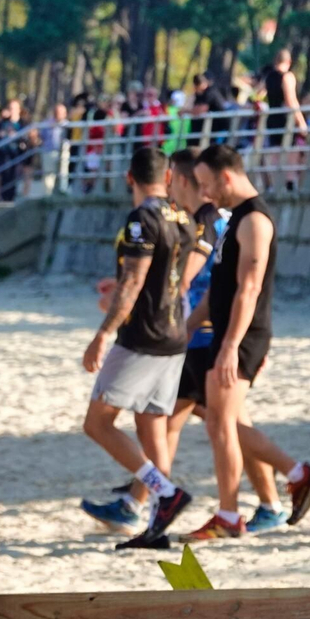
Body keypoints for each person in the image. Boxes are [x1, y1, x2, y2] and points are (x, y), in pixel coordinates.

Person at [184, 146, 310, 538]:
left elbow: (249, 289)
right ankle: (290, 479)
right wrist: (188, 326)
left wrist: (231, 345)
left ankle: (243, 507)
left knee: (220, 421)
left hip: (243, 334)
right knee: (220, 420)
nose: (206, 194)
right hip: (227, 330)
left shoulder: (255, 221)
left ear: (226, 177)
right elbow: (220, 287)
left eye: (207, 185)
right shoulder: (234, 221)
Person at [77, 147, 196, 547]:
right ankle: (151, 525)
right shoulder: (182, 216)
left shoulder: (141, 219)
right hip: (175, 336)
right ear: (167, 178)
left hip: (143, 337)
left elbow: (134, 281)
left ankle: (164, 493)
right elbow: (169, 278)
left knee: (97, 423)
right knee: (152, 431)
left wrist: (102, 333)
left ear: (130, 177)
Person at [260, 49, 308, 190]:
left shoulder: (268, 77)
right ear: (288, 62)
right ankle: (290, 183)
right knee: (292, 151)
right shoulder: (287, 77)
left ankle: (275, 184)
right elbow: (291, 100)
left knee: (276, 152)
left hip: (273, 118)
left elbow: (258, 94)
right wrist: (301, 122)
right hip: (286, 119)